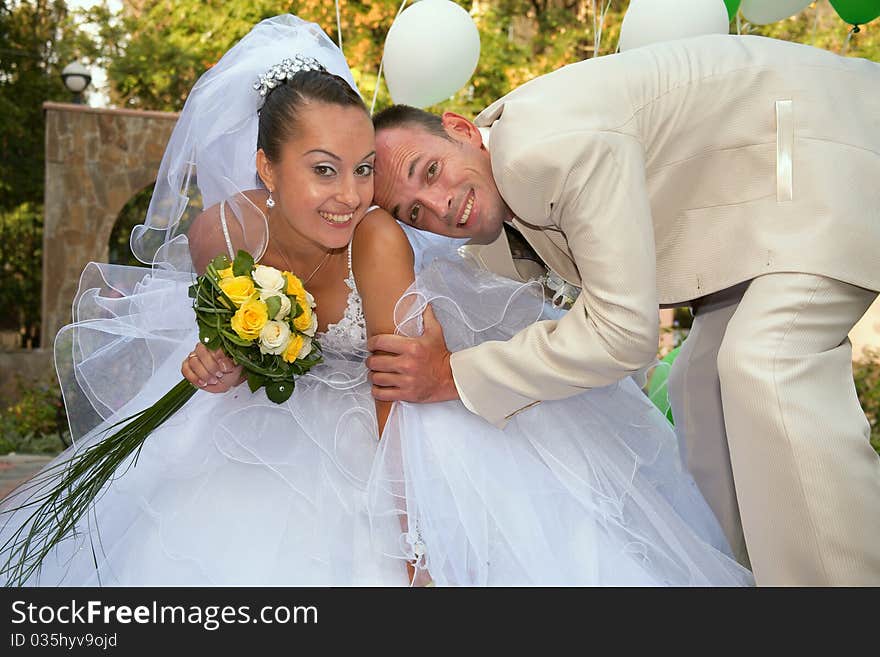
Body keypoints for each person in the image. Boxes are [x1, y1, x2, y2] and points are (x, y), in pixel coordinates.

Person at [0, 15, 752, 587]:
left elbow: (399, 391)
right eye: (323, 170)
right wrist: (217, 365)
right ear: (266, 166)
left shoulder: (377, 240)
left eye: (363, 169)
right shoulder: (218, 235)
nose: (351, 195)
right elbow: (232, 354)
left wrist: (413, 536)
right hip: (275, 424)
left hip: (408, 418)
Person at [367, 33, 880, 586]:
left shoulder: (546, 150)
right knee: (697, 385)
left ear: (462, 129)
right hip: (768, 201)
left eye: (430, 171)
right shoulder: (495, 204)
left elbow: (622, 335)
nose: (439, 206)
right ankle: (743, 575)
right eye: (413, 212)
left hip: (827, 149)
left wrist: (450, 374)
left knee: (766, 362)